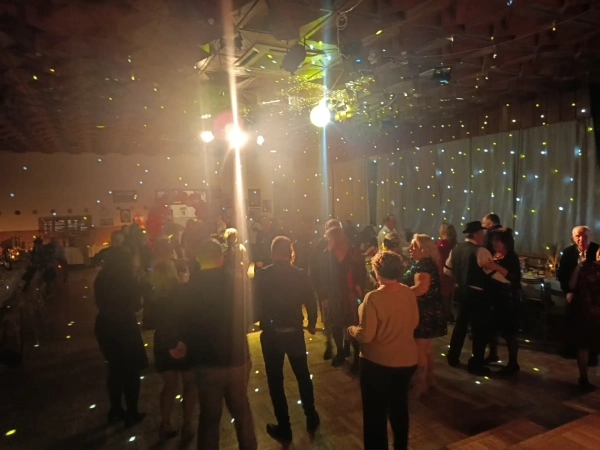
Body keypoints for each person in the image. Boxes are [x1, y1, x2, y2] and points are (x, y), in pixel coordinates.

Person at [169, 239, 256, 450]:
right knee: (241, 410)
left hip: (206, 360)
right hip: (237, 356)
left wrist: (180, 344)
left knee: (209, 416)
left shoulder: (189, 288)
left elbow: (181, 323)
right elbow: (252, 316)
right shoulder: (238, 283)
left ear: (199, 259)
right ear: (221, 257)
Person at [348, 251, 419, 450]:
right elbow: (414, 322)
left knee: (375, 414)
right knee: (399, 407)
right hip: (407, 361)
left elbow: (366, 335)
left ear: (377, 271)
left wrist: (352, 330)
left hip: (378, 363)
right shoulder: (408, 292)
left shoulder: (373, 298)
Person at [254, 236, 320, 442]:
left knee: (276, 381)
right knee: (303, 375)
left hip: (271, 335)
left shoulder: (262, 275)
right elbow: (311, 301)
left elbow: (254, 303)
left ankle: (284, 427)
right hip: (294, 333)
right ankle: (311, 416)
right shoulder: (300, 274)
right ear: (291, 253)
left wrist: (256, 320)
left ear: (273, 253)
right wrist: (311, 322)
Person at [444, 221, 509, 375]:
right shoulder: (481, 251)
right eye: (482, 233)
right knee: (479, 330)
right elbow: (492, 273)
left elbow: (447, 270)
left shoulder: (456, 248)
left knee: (460, 326)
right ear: (477, 234)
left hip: (461, 292)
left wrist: (461, 278)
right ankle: (476, 364)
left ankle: (453, 356)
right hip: (478, 295)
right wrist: (509, 281)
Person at [93, 247, 147, 427]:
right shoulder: (127, 278)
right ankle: (132, 411)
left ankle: (115, 409)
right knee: (132, 370)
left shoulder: (101, 278)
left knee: (115, 368)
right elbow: (137, 305)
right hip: (124, 325)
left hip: (104, 325)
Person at [147, 260, 196, 442]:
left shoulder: (154, 296)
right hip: (183, 340)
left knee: (170, 385)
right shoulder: (183, 291)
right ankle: (187, 425)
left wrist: (169, 343)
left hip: (163, 342)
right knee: (189, 384)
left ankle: (165, 423)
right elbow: (189, 316)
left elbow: (151, 321)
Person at [403, 234, 447, 397]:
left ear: (424, 249)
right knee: (426, 348)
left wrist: (399, 293)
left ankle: (421, 384)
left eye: (414, 246)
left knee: (419, 349)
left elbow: (421, 288)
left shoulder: (423, 265)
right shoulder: (427, 263)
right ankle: (430, 379)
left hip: (423, 312)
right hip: (430, 310)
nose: (410, 248)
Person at [324, 226, 366, 370]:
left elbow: (361, 272)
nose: (328, 241)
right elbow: (324, 275)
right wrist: (325, 295)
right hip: (335, 293)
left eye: (329, 238)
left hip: (350, 294)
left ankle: (356, 357)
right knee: (336, 324)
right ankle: (340, 352)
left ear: (336, 238)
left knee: (352, 324)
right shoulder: (328, 254)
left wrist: (358, 285)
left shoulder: (353, 252)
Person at [558, 226, 600, 361]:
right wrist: (567, 292)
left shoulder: (597, 250)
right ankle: (571, 350)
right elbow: (562, 275)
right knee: (573, 323)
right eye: (578, 236)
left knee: (591, 327)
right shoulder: (568, 252)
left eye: (585, 236)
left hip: (593, 297)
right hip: (574, 294)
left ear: (590, 236)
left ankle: (591, 356)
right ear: (573, 238)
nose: (581, 239)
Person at [484, 228, 522, 375]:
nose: (494, 243)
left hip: (508, 298)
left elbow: (514, 277)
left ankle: (513, 363)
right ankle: (492, 354)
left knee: (509, 332)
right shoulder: (493, 254)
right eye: (493, 240)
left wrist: (496, 267)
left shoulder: (511, 257)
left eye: (498, 241)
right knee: (492, 329)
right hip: (495, 297)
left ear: (505, 242)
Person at [308, 219, 342, 360]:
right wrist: (320, 291)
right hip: (328, 290)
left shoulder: (345, 244)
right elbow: (314, 269)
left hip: (339, 290)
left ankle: (339, 347)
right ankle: (331, 344)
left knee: (339, 319)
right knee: (330, 319)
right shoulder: (321, 246)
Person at [569, 247, 600, 388]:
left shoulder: (583, 267)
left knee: (583, 346)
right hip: (594, 312)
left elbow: (571, 285)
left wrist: (580, 265)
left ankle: (583, 377)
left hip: (584, 311)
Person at [437, 223, 457, 323]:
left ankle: (446, 315)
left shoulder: (441, 244)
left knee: (444, 294)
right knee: (448, 295)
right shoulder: (453, 243)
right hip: (451, 272)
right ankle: (449, 314)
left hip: (442, 271)